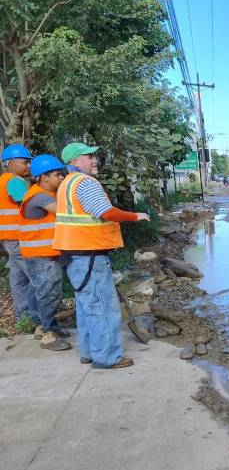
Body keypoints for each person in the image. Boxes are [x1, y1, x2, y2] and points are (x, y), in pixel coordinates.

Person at [53, 143, 150, 368]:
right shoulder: (85, 182)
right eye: (88, 156)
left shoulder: (66, 183)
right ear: (75, 161)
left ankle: (89, 352)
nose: (94, 160)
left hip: (76, 256)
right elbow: (105, 212)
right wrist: (134, 216)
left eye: (93, 156)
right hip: (90, 256)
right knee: (103, 309)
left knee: (87, 307)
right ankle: (107, 357)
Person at [19, 155, 71, 351]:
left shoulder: (44, 193)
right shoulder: (39, 197)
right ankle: (49, 334)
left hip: (38, 253)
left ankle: (42, 326)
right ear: (43, 177)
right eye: (57, 174)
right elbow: (66, 213)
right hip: (41, 255)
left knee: (37, 289)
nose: (61, 178)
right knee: (48, 292)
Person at [0, 144, 35, 325]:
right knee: (35, 275)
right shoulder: (14, 181)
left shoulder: (3, 180)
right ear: (11, 163)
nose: (28, 166)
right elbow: (27, 204)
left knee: (18, 278)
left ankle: (24, 317)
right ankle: (38, 317)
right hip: (18, 236)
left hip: (8, 237)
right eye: (25, 162)